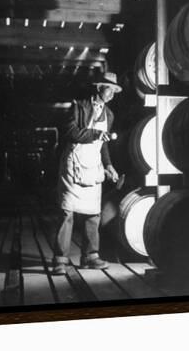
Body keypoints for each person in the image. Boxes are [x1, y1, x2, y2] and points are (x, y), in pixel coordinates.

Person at [52, 72, 122, 275]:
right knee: (67, 212)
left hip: (93, 164)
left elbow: (103, 145)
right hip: (73, 163)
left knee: (94, 213)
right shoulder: (79, 106)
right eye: (110, 89)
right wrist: (96, 133)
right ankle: (60, 260)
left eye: (115, 91)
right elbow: (70, 132)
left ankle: (90, 256)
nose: (112, 94)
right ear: (100, 87)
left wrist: (109, 166)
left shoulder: (109, 114)